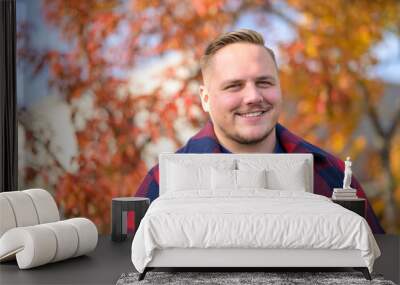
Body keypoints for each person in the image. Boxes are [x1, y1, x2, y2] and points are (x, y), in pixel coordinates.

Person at [135, 29, 384, 234]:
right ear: (206, 99)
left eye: (264, 82)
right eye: (234, 86)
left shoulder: (334, 176)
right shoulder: (161, 183)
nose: (253, 97)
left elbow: (375, 261)